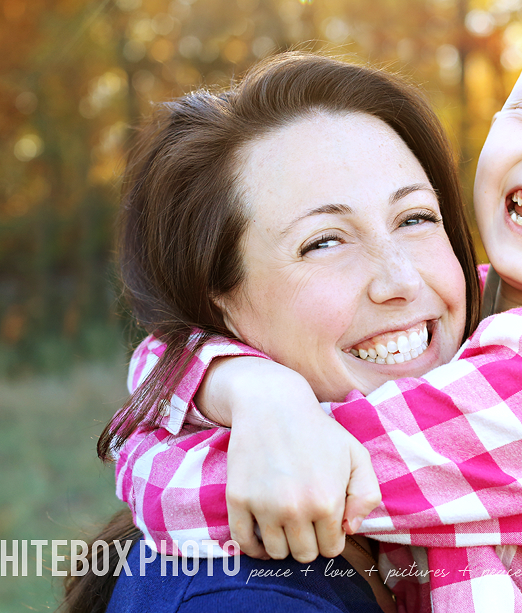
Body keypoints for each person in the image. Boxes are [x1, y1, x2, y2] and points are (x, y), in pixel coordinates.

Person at [115, 7, 522, 613]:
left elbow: (286, 486)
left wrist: (164, 432)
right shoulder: (471, 317)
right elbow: (174, 358)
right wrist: (251, 387)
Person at [64, 51, 484, 613]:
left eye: (415, 218)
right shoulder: (246, 600)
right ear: (223, 304)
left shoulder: (471, 470)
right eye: (325, 241)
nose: (401, 281)